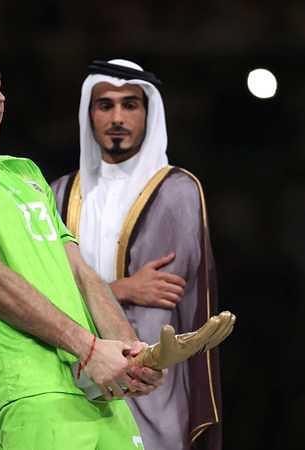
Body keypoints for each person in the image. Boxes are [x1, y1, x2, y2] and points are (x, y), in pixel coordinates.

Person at [0, 45, 163, 450]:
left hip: (97, 389)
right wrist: (90, 348)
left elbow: (81, 273)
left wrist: (131, 354)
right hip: (30, 390)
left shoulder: (25, 173)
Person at [51, 59, 224, 450]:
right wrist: (124, 288)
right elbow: (43, 291)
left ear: (149, 112)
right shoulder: (57, 193)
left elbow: (161, 297)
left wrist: (96, 294)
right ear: (89, 113)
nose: (117, 118)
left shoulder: (177, 191)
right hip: (73, 378)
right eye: (105, 105)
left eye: (130, 104)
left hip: (152, 384)